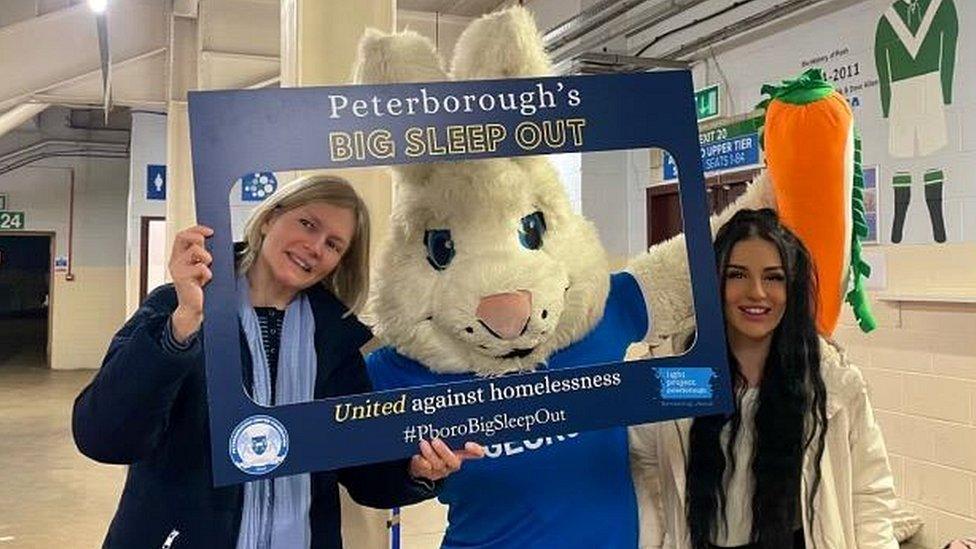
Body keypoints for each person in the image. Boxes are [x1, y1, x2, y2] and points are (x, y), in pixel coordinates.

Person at [73, 174, 483, 549]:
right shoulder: (174, 309)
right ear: (269, 218)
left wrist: (415, 471)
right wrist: (182, 328)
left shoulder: (338, 342)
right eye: (308, 224)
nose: (315, 247)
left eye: (334, 244)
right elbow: (105, 436)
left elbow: (363, 475)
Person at [630, 208, 898, 549]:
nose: (756, 292)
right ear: (715, 283)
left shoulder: (833, 383)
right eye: (737, 275)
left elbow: (870, 496)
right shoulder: (673, 373)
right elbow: (647, 477)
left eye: (774, 277)